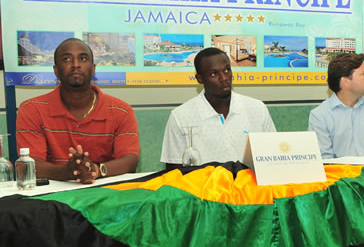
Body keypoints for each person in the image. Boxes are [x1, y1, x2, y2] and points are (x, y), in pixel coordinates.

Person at [16, 38, 140, 183]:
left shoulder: (121, 111)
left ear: (93, 69)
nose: (75, 65)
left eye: (82, 58)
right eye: (67, 59)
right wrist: (67, 172)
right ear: (56, 70)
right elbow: (30, 165)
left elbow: (130, 161)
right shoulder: (32, 110)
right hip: (51, 199)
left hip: (105, 195)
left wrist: (96, 170)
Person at [160, 47, 276, 170]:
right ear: (200, 79)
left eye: (227, 70)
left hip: (248, 187)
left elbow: (273, 156)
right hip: (204, 188)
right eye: (214, 74)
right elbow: (174, 172)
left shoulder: (257, 108)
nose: (224, 78)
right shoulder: (181, 116)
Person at [308, 53, 364, 159]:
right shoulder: (320, 116)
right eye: (363, 74)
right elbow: (324, 159)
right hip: (341, 174)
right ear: (345, 81)